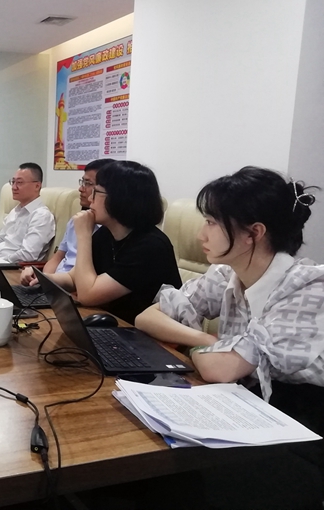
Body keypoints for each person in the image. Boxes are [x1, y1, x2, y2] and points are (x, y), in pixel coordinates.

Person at [135, 166, 324, 406]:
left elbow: (220, 369)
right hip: (245, 398)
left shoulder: (309, 286)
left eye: (211, 222)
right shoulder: (227, 273)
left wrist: (202, 348)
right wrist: (207, 340)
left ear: (254, 233)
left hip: (302, 410)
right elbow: (147, 318)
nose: (201, 235)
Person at [38, 160, 181, 324]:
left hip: (146, 334)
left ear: (120, 198)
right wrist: (43, 279)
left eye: (96, 192)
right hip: (113, 324)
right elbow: (73, 277)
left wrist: (84, 235)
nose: (90, 198)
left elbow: (88, 295)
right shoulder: (107, 233)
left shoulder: (150, 246)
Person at [21, 158, 114, 285]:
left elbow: (87, 281)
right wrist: (45, 279)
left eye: (88, 183)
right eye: (83, 182)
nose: (81, 189)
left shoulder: (108, 231)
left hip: (77, 287)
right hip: (59, 283)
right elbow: (57, 258)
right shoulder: (76, 220)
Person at [0, 162, 55, 263]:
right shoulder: (16, 210)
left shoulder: (41, 216)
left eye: (19, 182)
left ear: (37, 186)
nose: (14, 187)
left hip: (13, 267)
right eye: (13, 182)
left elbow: (28, 254)